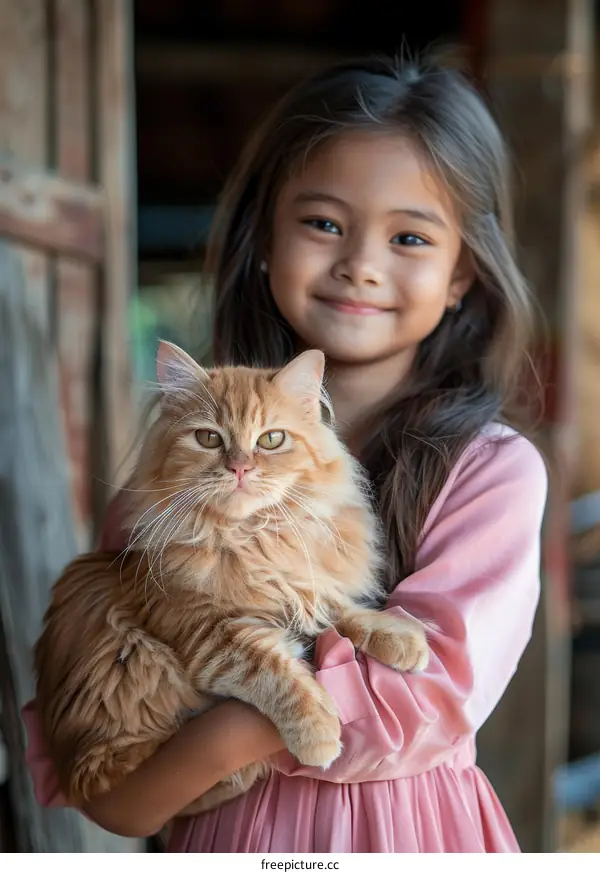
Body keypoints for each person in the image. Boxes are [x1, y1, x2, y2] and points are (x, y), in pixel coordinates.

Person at [22, 54, 548, 853]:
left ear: (460, 275)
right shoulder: (178, 474)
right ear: (264, 238)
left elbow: (431, 692)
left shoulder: (489, 470)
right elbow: (116, 775)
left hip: (402, 837)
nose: (361, 263)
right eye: (324, 223)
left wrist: (230, 732)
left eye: (409, 236)